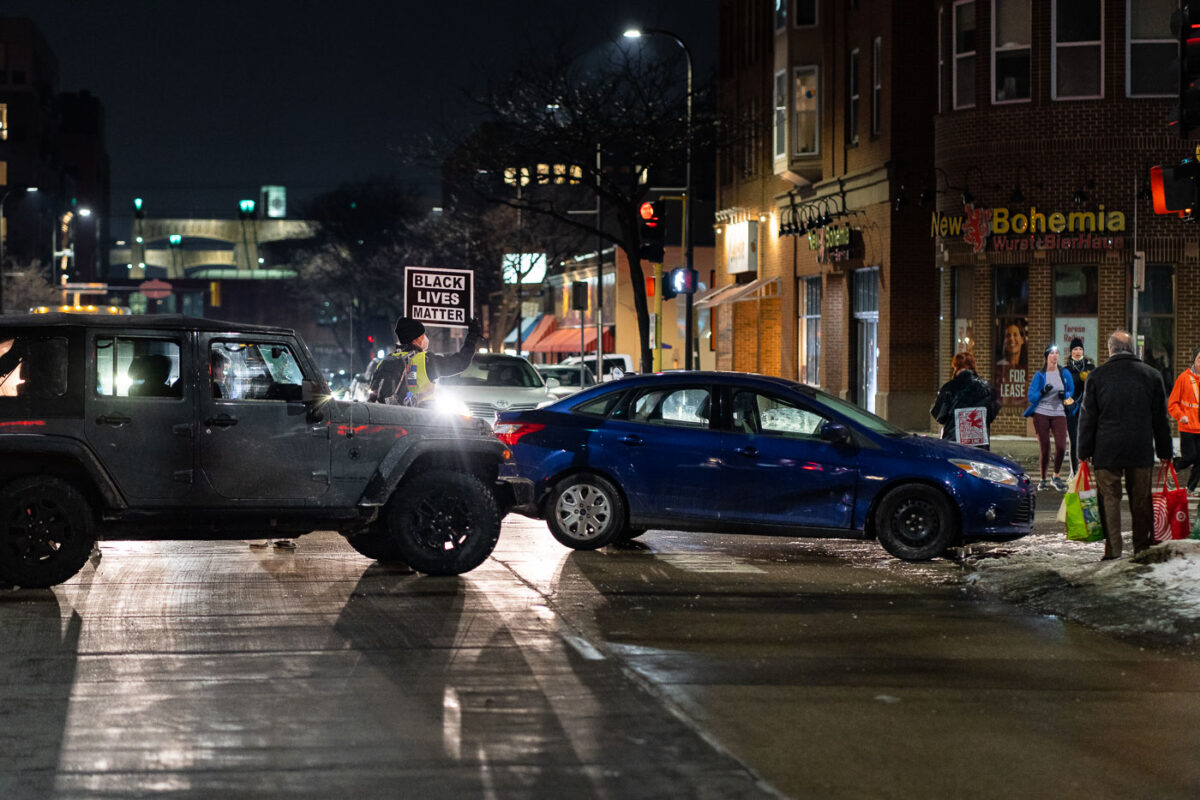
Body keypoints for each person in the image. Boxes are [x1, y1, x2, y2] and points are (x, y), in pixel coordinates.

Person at [1076, 330, 1174, 560]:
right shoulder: (1151, 375)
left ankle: (1113, 550)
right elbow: (1160, 419)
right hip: (1139, 448)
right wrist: (1165, 451)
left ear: (1110, 349)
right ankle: (1141, 547)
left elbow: (1088, 418)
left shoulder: (1097, 376)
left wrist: (1084, 451)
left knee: (1109, 499)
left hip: (1106, 448)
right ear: (1132, 349)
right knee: (1141, 500)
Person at [369, 316, 485, 406]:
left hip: (388, 418)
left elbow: (374, 392)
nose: (425, 338)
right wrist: (472, 336)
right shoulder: (425, 361)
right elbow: (460, 362)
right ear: (417, 339)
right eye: (423, 335)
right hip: (419, 420)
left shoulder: (385, 360)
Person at [1024, 344, 1075, 491]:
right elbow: (1031, 397)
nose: (1055, 355)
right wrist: (1042, 392)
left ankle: (1056, 476)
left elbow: (1071, 390)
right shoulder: (1040, 375)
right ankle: (1043, 479)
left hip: (1059, 412)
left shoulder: (1064, 373)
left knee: (1061, 446)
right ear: (1046, 357)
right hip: (1041, 413)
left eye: (1057, 353)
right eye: (1052, 353)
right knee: (1045, 447)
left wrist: (1065, 395)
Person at [930, 351, 1001, 449]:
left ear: (956, 367)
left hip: (954, 446)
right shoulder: (987, 388)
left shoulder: (949, 388)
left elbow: (939, 415)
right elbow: (992, 414)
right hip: (980, 447)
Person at [1168, 345, 1200, 495]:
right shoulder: (1184, 378)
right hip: (1188, 426)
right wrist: (1181, 416)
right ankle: (1174, 467)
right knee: (1190, 457)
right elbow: (1172, 403)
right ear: (1194, 361)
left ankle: (1191, 488)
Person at [1063, 336, 1096, 474]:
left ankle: (1086, 468)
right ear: (1071, 351)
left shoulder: (1090, 367)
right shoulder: (1066, 370)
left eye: (1080, 349)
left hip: (1087, 408)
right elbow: (1064, 389)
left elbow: (1095, 387)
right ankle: (1074, 471)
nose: (1078, 351)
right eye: (1075, 349)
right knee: (1074, 440)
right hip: (1072, 409)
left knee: (1087, 438)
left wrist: (1088, 379)